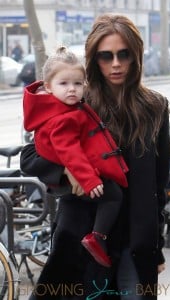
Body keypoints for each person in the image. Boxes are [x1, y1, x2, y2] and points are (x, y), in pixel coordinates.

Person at [20, 13, 170, 300]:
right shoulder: (76, 100)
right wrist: (67, 172)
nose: (115, 64)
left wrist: (158, 246)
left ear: (136, 56)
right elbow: (30, 157)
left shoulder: (155, 107)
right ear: (94, 59)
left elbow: (157, 187)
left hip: (135, 243)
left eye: (123, 54)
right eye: (106, 56)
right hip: (84, 238)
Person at [23, 46, 129, 268]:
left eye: (77, 84)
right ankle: (97, 237)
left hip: (82, 188)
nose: (72, 89)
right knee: (113, 195)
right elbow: (66, 151)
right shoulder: (64, 116)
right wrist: (84, 177)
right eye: (64, 84)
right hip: (76, 206)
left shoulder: (59, 108)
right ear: (48, 87)